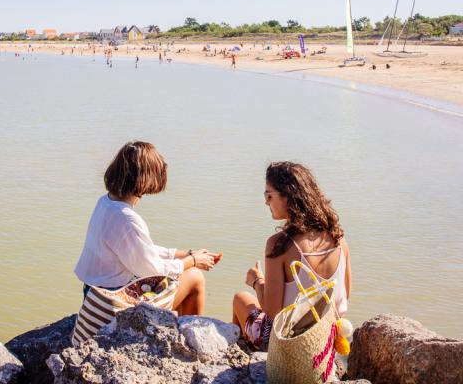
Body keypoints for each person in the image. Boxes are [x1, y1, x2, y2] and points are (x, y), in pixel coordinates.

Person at [75, 141, 221, 315]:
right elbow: (153, 271)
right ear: (146, 179)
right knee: (195, 277)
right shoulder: (127, 219)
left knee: (185, 271)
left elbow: (140, 251)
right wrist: (193, 262)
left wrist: (186, 254)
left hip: (94, 299)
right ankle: (191, 334)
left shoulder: (106, 203)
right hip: (113, 309)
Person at [232, 161, 351, 351]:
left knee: (240, 298)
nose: (266, 202)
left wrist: (257, 281)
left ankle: (246, 359)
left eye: (268, 195)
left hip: (288, 345)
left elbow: (272, 312)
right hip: (323, 341)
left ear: (287, 197)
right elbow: (344, 295)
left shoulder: (280, 245)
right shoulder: (339, 239)